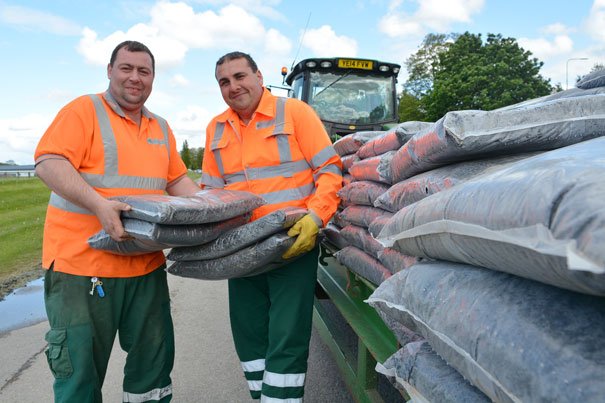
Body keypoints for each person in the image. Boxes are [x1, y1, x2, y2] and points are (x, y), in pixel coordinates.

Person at [34, 40, 201, 402]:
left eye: (144, 70)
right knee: (79, 373)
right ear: (109, 70)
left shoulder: (161, 126)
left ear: (154, 77)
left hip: (144, 267)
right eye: (126, 68)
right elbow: (49, 162)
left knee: (153, 371)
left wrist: (208, 208)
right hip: (82, 269)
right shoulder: (84, 110)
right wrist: (98, 204)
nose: (135, 77)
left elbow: (177, 181)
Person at [201, 51, 343, 402]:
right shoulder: (216, 128)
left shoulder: (294, 113)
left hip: (292, 243)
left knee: (286, 336)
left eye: (239, 76)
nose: (233, 86)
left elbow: (329, 171)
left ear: (259, 77)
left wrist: (315, 217)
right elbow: (211, 194)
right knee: (248, 333)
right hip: (241, 249)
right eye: (224, 81)